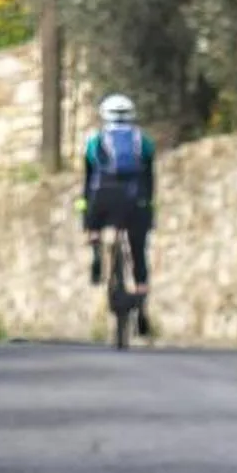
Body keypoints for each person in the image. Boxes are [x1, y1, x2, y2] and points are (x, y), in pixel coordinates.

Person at [81, 92, 157, 339]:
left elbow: (87, 181)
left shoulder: (94, 142)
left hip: (103, 200)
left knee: (93, 224)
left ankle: (95, 255)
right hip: (136, 202)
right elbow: (150, 179)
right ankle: (142, 303)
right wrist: (149, 210)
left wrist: (87, 218)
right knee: (138, 251)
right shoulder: (143, 142)